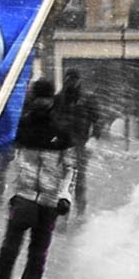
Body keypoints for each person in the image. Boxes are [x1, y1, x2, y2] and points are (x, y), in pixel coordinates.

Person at [0, 78, 75, 279]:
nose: (42, 103)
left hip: (48, 201)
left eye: (45, 99)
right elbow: (4, 159)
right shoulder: (22, 127)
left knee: (34, 253)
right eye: (39, 99)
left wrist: (65, 196)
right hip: (25, 197)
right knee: (13, 250)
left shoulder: (60, 131)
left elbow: (69, 168)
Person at [54, 69, 100, 217]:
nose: (71, 83)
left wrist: (94, 137)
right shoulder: (59, 98)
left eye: (73, 80)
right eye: (69, 80)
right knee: (63, 177)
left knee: (78, 178)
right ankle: (64, 209)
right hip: (63, 143)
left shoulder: (87, 99)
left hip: (79, 142)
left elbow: (97, 120)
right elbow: (53, 119)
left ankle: (79, 210)